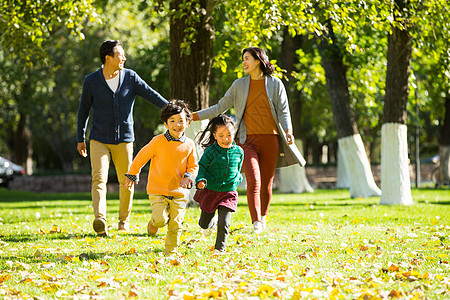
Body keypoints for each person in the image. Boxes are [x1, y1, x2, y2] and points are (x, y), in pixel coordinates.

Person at [192, 47, 300, 234]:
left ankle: (263, 217)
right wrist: (193, 116)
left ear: (258, 60)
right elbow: (220, 107)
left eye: (246, 59)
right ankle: (256, 221)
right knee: (253, 179)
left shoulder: (275, 84)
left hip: (271, 139)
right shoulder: (239, 85)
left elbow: (284, 111)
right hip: (246, 140)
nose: (243, 63)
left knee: (267, 182)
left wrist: (288, 130)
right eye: (243, 59)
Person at [76, 40, 168, 236]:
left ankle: (123, 221)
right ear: (108, 58)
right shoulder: (91, 81)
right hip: (98, 138)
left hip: (125, 139)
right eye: (120, 55)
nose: (124, 58)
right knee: (98, 178)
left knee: (127, 180)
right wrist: (80, 138)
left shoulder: (130, 77)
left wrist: (173, 109)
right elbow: (83, 111)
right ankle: (100, 219)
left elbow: (152, 95)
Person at [124, 100, 197, 255]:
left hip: (180, 192)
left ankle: (170, 252)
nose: (177, 124)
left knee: (176, 223)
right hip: (158, 190)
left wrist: (188, 177)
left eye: (181, 121)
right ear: (165, 124)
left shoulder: (189, 144)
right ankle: (153, 224)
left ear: (188, 123)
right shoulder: (158, 141)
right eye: (172, 121)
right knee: (161, 220)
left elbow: (193, 165)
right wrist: (132, 173)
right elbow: (141, 157)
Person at [194, 114, 244, 255]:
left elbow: (238, 168)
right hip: (210, 191)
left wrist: (237, 179)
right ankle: (208, 224)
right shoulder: (211, 151)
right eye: (221, 135)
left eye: (229, 135)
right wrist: (200, 180)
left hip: (229, 193)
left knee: (225, 222)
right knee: (204, 223)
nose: (226, 139)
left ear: (234, 134)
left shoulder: (239, 151)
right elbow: (202, 167)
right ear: (215, 136)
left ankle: (219, 249)